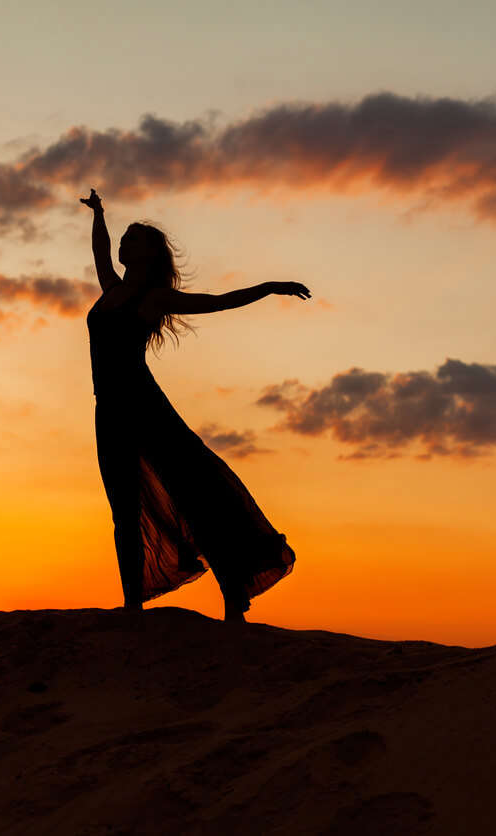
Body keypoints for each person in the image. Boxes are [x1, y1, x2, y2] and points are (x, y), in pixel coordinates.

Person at [80, 188, 308, 623]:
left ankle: (232, 592)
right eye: (124, 236)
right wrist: (99, 214)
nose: (124, 240)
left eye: (134, 237)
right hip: (107, 410)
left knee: (196, 496)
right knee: (123, 508)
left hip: (144, 406)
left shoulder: (153, 299)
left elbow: (217, 301)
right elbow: (100, 252)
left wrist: (270, 287)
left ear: (148, 254)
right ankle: (132, 605)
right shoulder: (111, 288)